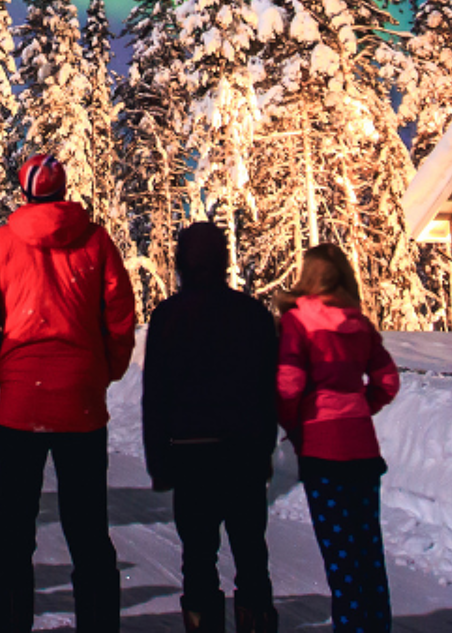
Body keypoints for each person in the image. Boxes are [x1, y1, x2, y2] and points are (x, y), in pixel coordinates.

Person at [0, 153, 138, 633]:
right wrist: (106, 369)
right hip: (80, 402)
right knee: (88, 528)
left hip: (22, 401)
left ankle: (11, 622)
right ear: (63, 190)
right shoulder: (96, 240)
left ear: (24, 192)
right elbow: (121, 314)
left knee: (14, 526)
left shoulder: (3, 242)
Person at [142, 223, 279, 633]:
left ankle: (203, 623)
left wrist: (159, 461)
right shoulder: (252, 314)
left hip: (190, 452)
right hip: (243, 452)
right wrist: (265, 449)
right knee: (251, 554)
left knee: (198, 556)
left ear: (182, 263)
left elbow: (156, 395)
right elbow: (268, 389)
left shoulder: (168, 316)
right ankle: (257, 620)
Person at [277, 244, 400, 633]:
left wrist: (293, 424)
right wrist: (361, 406)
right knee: (369, 552)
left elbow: (289, 383)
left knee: (340, 557)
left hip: (322, 449)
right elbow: (388, 380)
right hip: (362, 448)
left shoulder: (297, 322)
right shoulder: (359, 323)